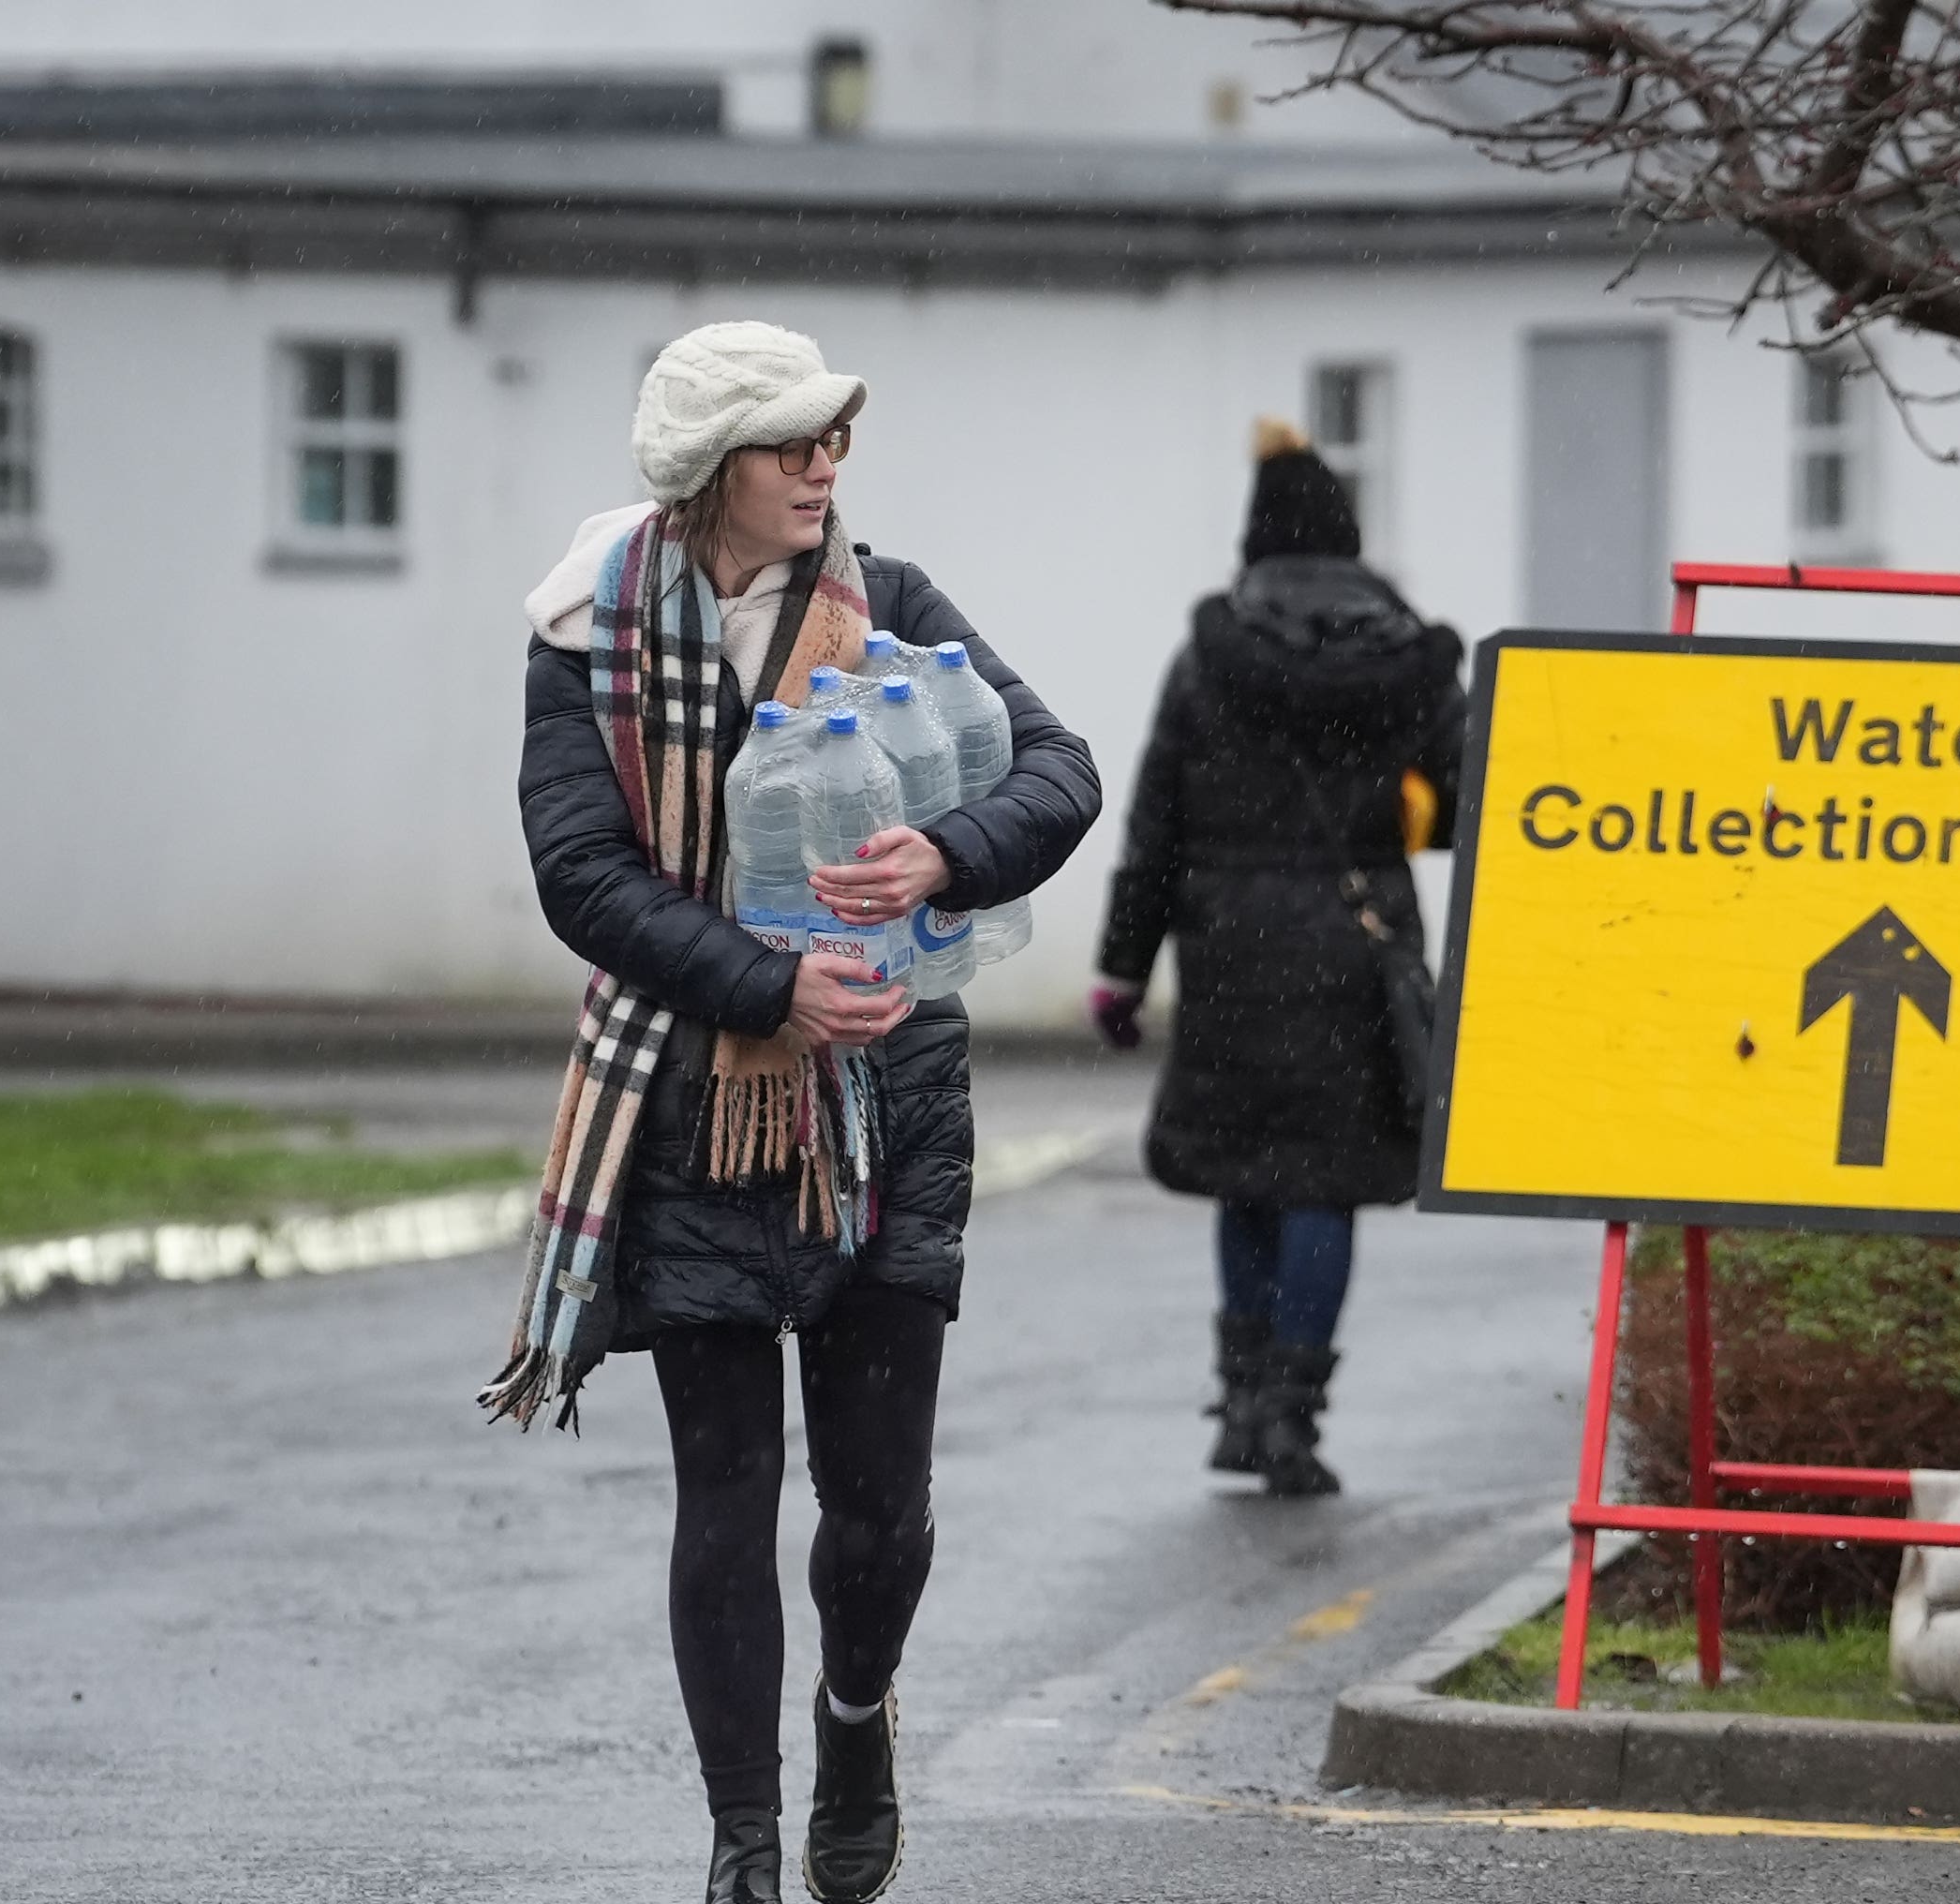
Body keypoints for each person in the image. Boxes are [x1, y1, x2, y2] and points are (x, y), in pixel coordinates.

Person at [483, 320, 1099, 1904]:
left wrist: (945, 851)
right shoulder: (586, 640)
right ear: (709, 477)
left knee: (880, 1503)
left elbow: (1060, 767)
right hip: (692, 1105)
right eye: (790, 444)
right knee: (728, 1492)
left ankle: (854, 1715)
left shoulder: (888, 607)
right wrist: (763, 989)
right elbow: (583, 873)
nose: (825, 466)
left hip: (888, 1099)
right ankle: (743, 1843)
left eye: (834, 437)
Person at [1089, 417, 1464, 1497]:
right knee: (1323, 1188)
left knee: (1243, 1177)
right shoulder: (1409, 657)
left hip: (1233, 949)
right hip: (1357, 953)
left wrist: (1122, 969)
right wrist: (1400, 808)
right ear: (1349, 540)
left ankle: (1242, 1404)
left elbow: (1155, 824)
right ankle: (1294, 1417)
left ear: (1257, 543)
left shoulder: (1209, 658)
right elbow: (1462, 808)